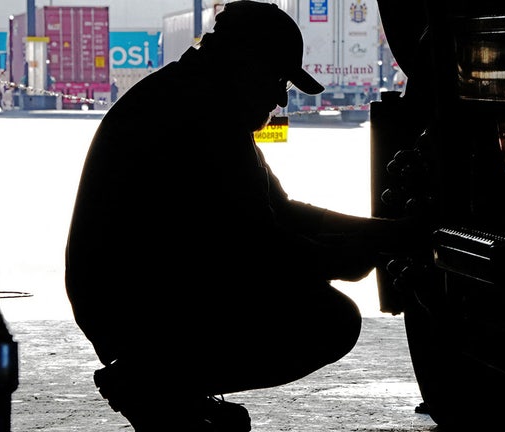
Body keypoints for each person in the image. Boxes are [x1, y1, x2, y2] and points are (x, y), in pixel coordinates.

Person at [64, 1, 421, 431]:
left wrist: (385, 233)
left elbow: (285, 212)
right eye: (277, 81)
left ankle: (167, 383)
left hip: (134, 292)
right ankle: (153, 381)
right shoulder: (200, 116)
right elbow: (253, 247)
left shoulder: (199, 98)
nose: (278, 99)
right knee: (327, 320)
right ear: (244, 65)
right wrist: (339, 259)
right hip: (133, 303)